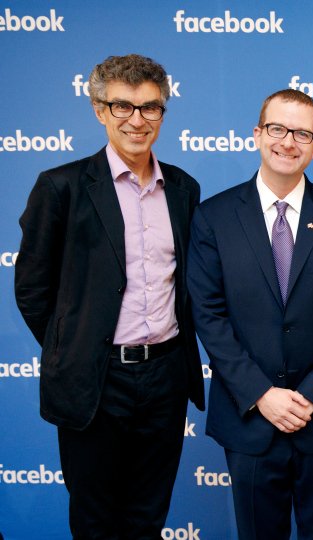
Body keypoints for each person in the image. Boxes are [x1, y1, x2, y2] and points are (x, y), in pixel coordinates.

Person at [14, 53, 205, 538]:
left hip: (165, 376)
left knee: (148, 516)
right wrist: (76, 346)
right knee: (96, 519)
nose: (137, 120)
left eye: (150, 107)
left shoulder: (183, 188)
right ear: (99, 109)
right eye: (122, 106)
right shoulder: (61, 187)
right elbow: (33, 289)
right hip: (95, 381)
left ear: (163, 112)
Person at [187, 89, 313, 540]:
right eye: (278, 129)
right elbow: (209, 316)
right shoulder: (213, 217)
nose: (288, 142)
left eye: (303, 133)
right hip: (250, 417)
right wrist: (262, 394)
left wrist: (309, 395)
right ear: (257, 134)